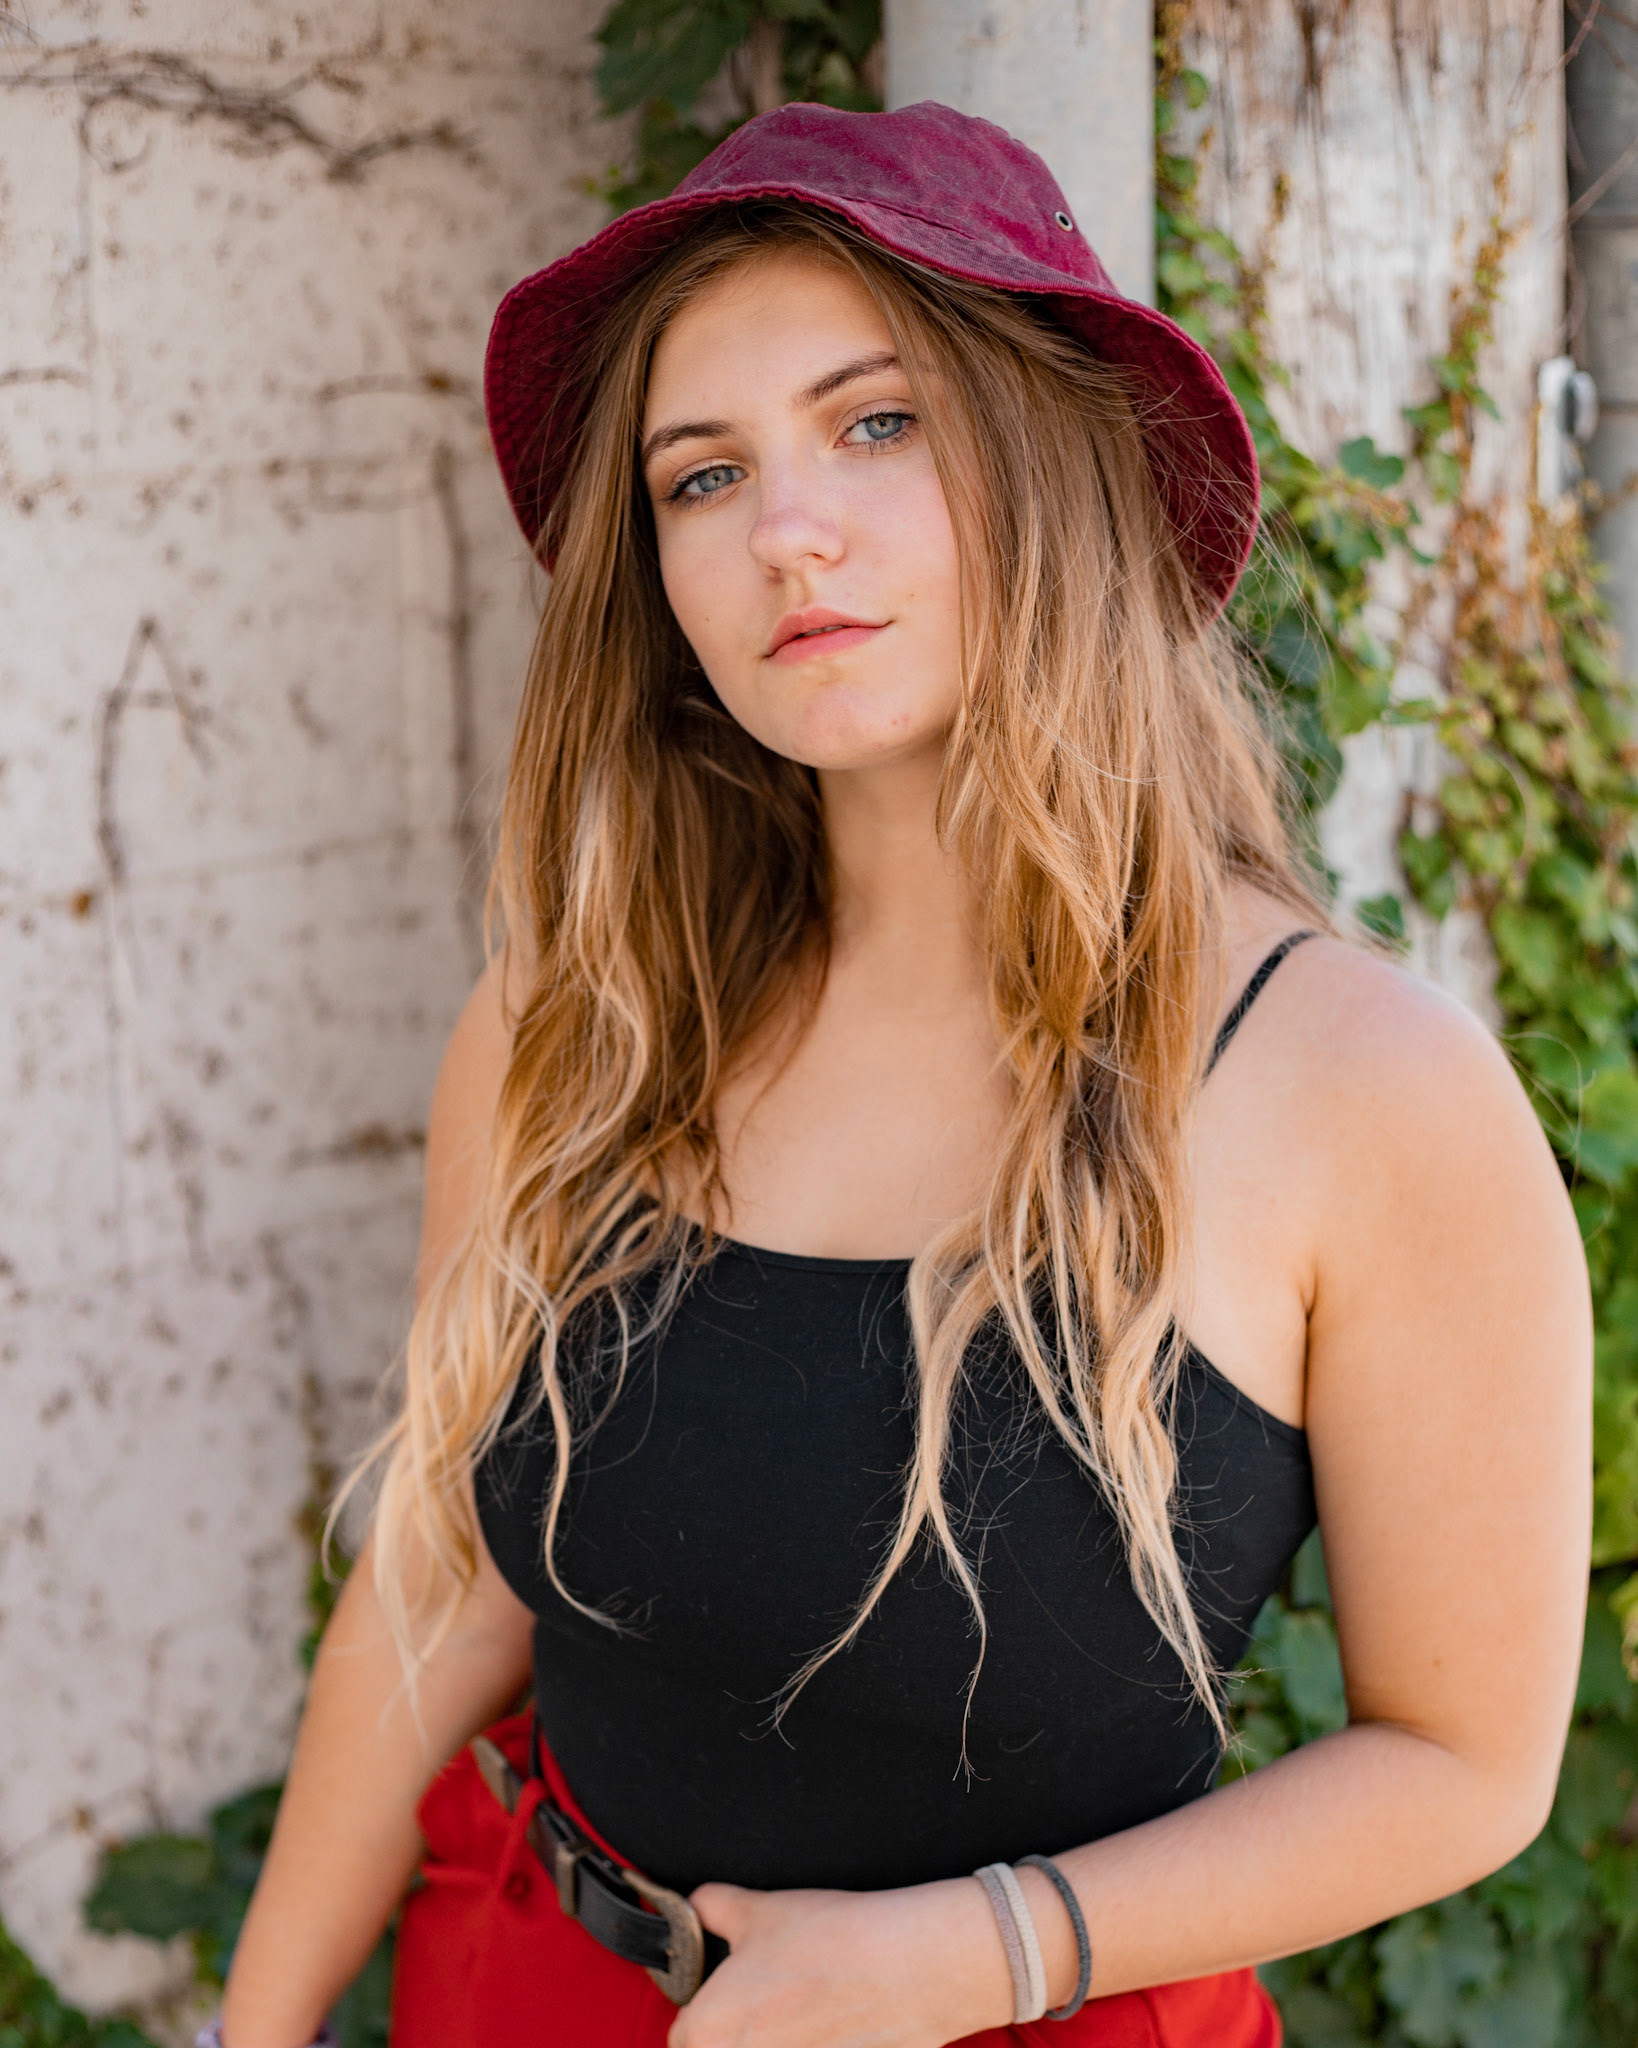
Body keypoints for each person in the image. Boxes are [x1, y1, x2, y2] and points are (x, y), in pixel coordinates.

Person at [211, 101, 1592, 2048]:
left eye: (878, 424)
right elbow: (448, 1570)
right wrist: (248, 2031)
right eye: (703, 476)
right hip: (533, 1978)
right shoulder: (576, 1019)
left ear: (1060, 459)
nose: (786, 528)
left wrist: (981, 1951)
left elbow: (1465, 1759)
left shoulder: (1359, 1090)